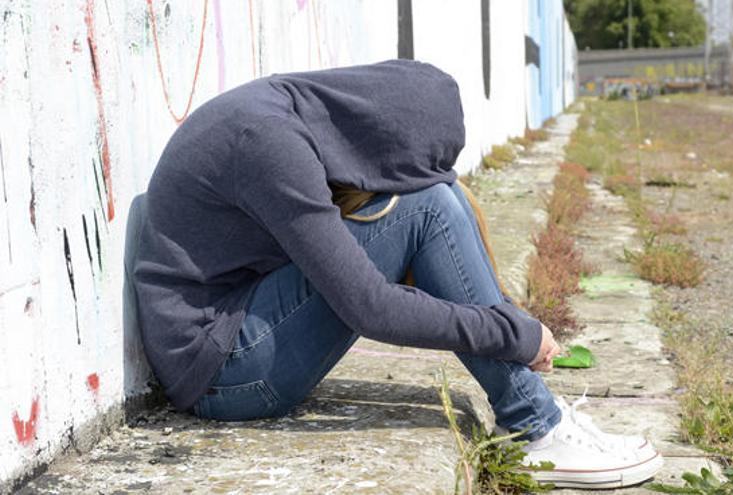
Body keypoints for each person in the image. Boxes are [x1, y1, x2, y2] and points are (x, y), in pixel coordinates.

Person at [133, 59, 662, 488]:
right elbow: (371, 308)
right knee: (430, 204)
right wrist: (515, 334)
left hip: (236, 330)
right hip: (224, 371)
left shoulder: (295, 113)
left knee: (437, 197)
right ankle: (535, 427)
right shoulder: (271, 146)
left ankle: (533, 415)